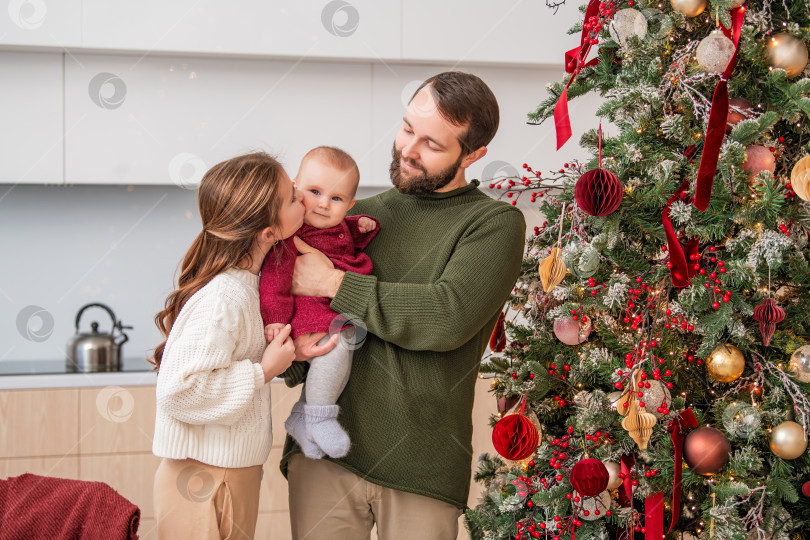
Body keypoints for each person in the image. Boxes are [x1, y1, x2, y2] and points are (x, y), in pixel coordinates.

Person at [280, 72, 527, 539]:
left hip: (422, 466)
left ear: (473, 155)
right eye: (407, 128)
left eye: (432, 143)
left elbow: (446, 316)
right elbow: (305, 318)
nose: (408, 149)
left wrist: (335, 282)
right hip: (324, 452)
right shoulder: (353, 219)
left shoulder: (494, 225)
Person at [150, 152, 333, 540]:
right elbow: (178, 391)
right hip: (202, 479)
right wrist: (264, 370)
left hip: (227, 473)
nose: (301, 195)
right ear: (269, 232)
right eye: (290, 197)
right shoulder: (225, 298)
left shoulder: (249, 286)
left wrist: (288, 355)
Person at [259, 146, 379, 460]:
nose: (324, 204)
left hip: (329, 311)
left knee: (343, 352)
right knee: (337, 348)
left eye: (337, 199)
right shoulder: (290, 232)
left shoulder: (331, 225)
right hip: (306, 315)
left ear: (350, 204)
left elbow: (341, 241)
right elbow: (274, 280)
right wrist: (275, 318)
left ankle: (303, 414)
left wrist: (360, 227)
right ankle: (320, 417)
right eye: (315, 191)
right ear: (296, 188)